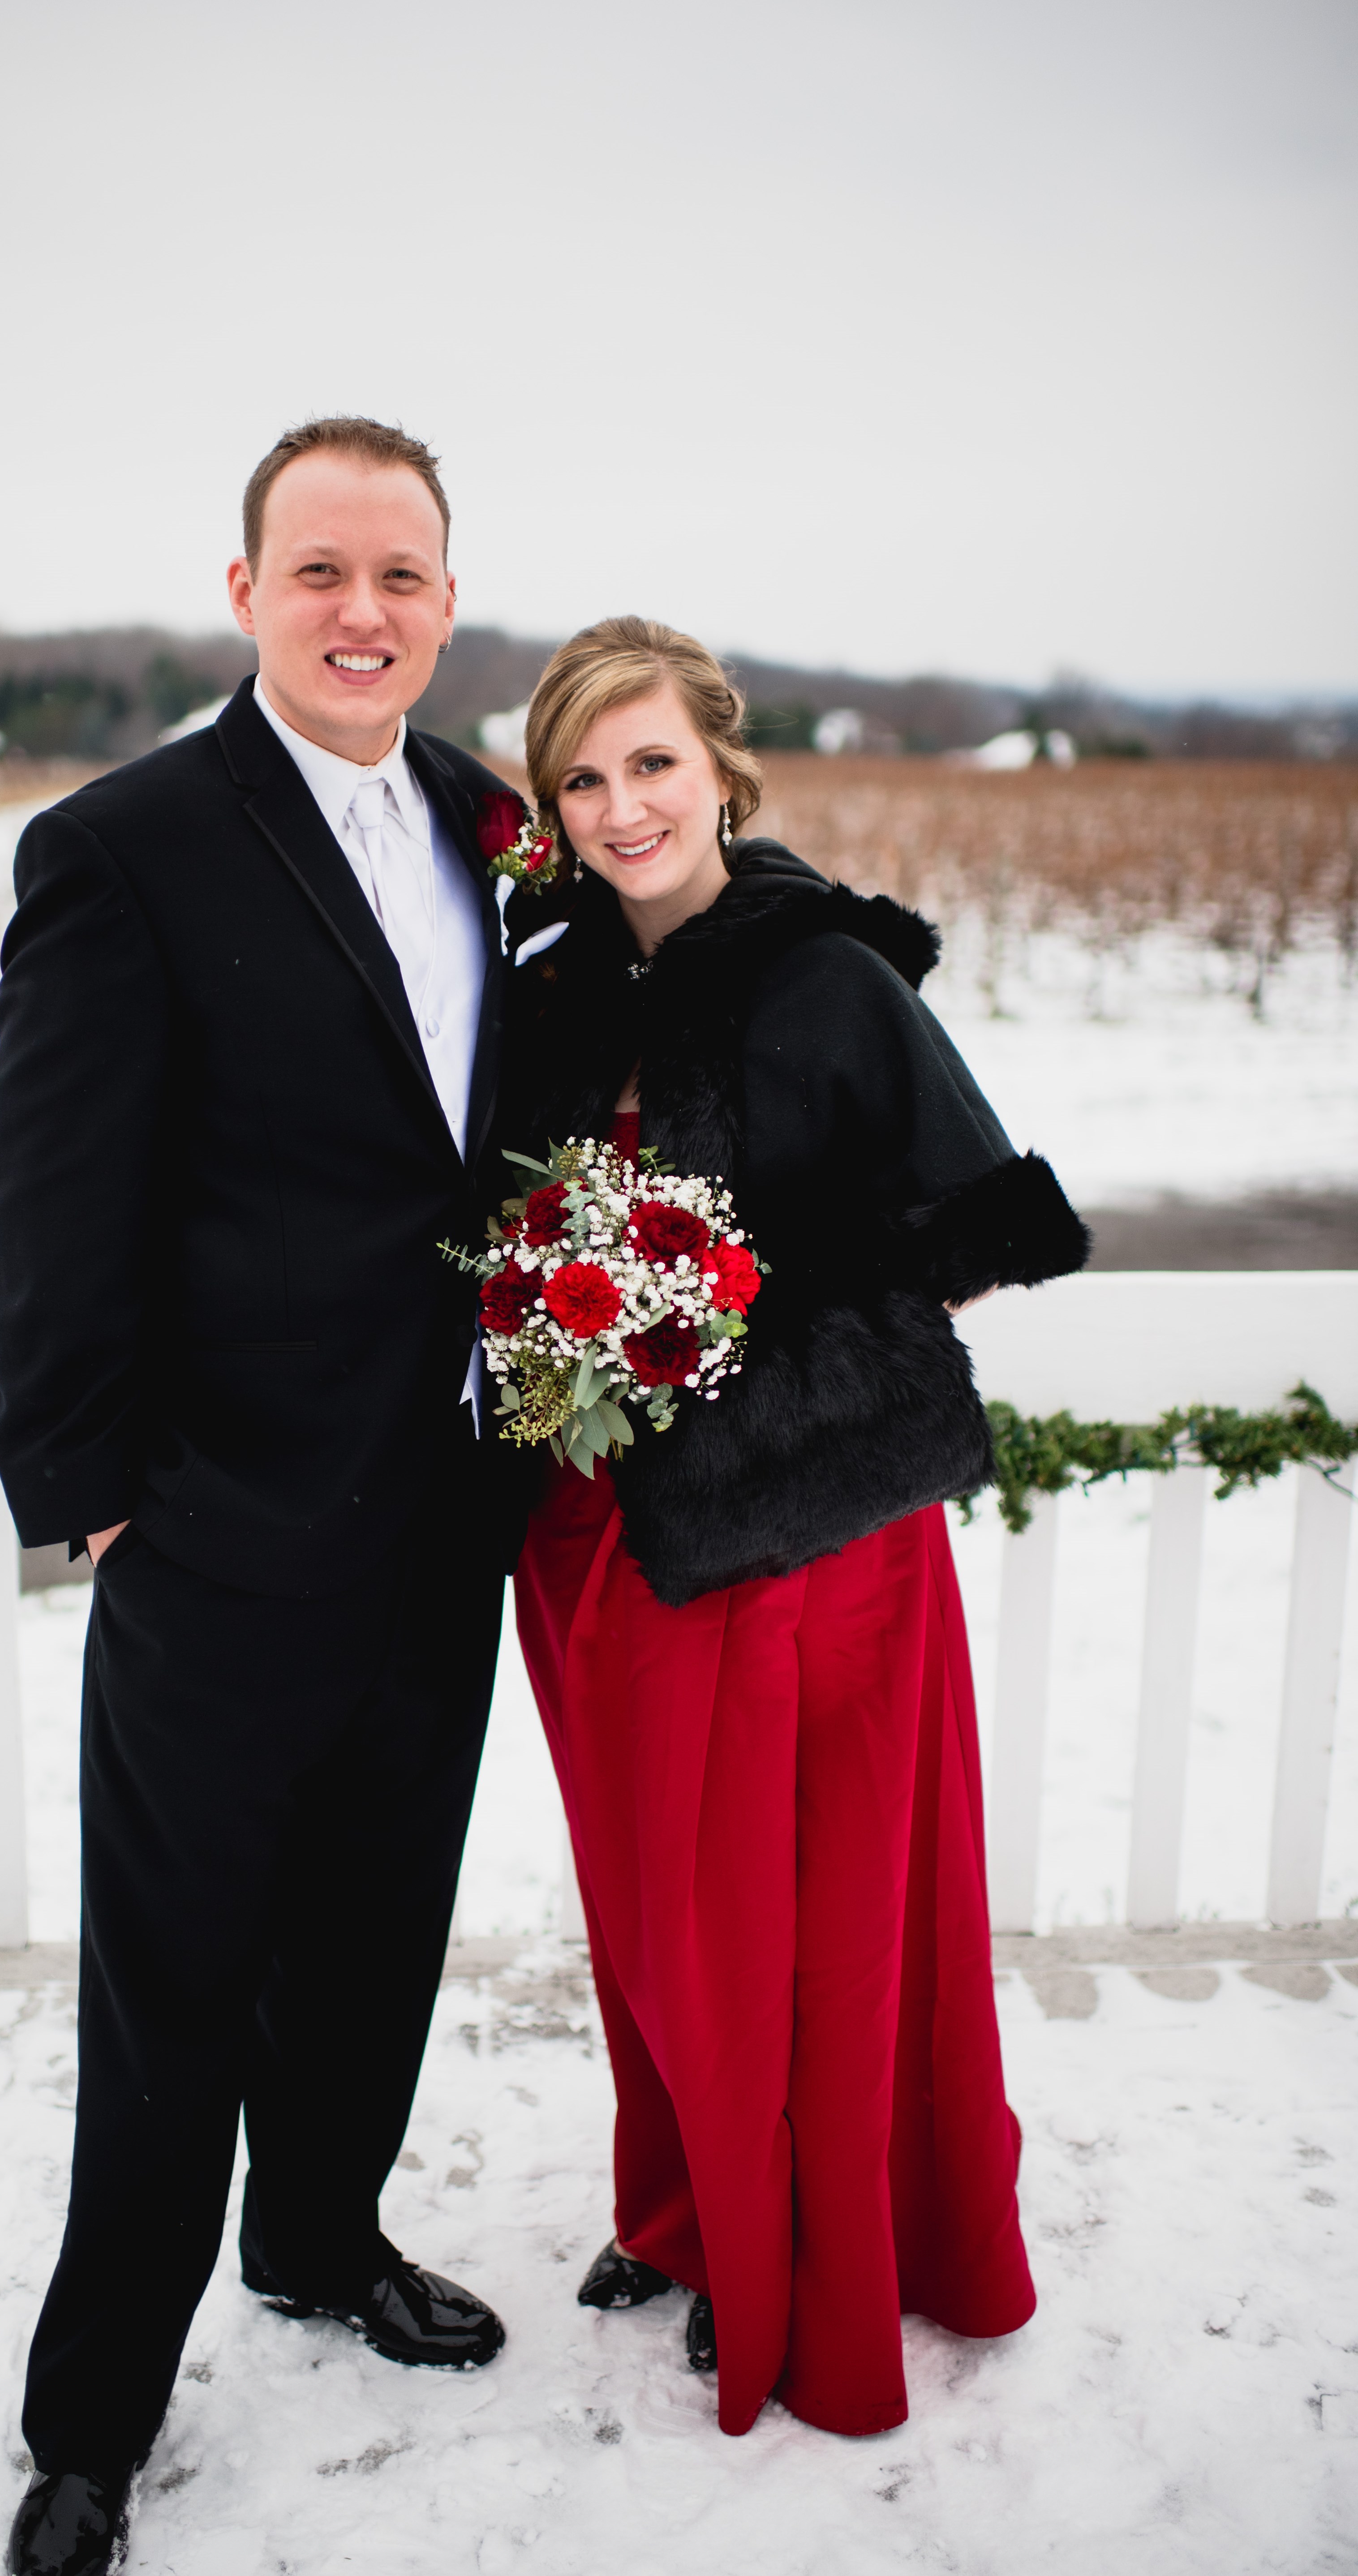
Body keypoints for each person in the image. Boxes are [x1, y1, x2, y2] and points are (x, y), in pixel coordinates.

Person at [0, 418, 526, 2576]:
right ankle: (94, 2420)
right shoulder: (124, 845)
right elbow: (52, 1196)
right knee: (175, 1985)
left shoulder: (496, 824)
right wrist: (101, 1495)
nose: (360, 610)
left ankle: (321, 2238)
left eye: (399, 575)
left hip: (450, 1508)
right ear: (246, 591)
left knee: (381, 1929)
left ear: (448, 602)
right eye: (320, 569)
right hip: (219, 1525)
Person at [500, 616, 1090, 2440]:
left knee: (793, 1919)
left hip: (799, 1545)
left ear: (723, 771)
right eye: (583, 779)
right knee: (656, 1909)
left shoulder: (828, 973)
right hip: (593, 1531)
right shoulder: (557, 985)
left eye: (652, 764)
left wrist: (734, 1340)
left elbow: (985, 1237)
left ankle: (803, 2248)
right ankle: (692, 2207)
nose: (622, 807)